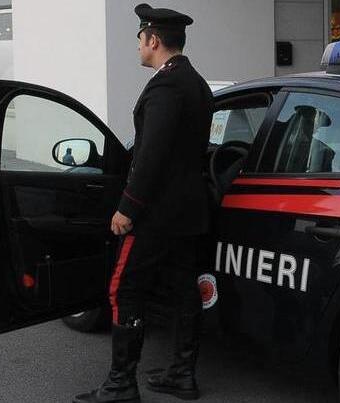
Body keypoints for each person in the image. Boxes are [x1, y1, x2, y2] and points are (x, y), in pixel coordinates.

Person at [73, 3, 213, 403]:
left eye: (139, 38)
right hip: (189, 212)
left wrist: (128, 208)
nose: (137, 45)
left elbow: (151, 154)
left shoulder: (166, 86)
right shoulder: (197, 83)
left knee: (124, 289)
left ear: (153, 39)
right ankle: (182, 375)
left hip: (156, 215)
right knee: (184, 289)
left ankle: (120, 384)